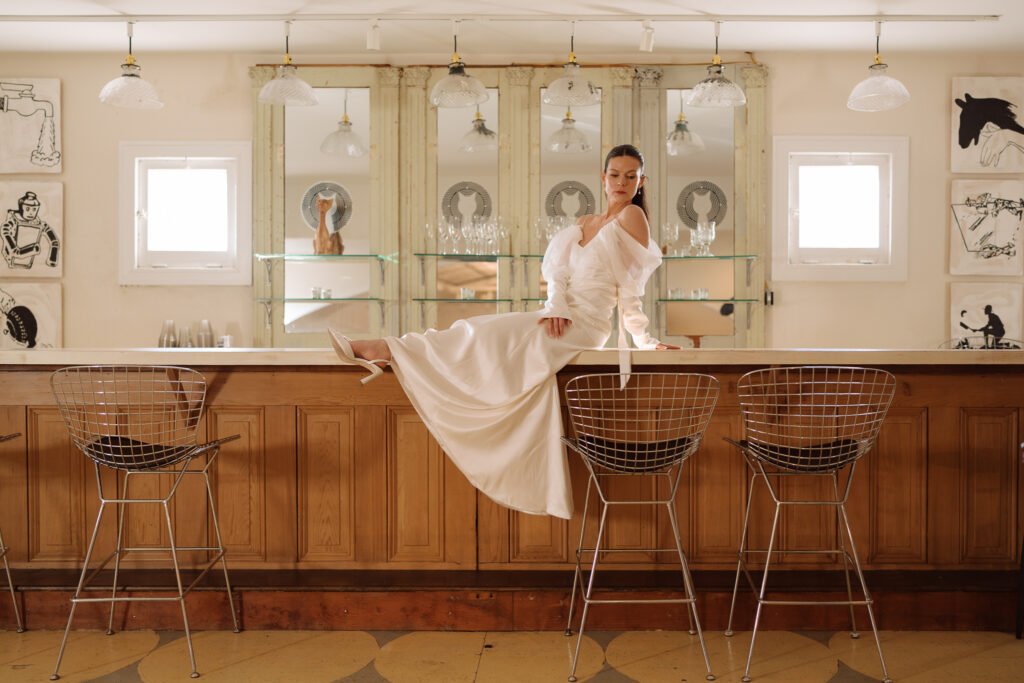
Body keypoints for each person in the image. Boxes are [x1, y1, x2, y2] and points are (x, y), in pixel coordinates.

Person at [329, 144, 676, 519]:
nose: (622, 182)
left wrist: (644, 338)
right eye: (615, 174)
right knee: (482, 331)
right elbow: (557, 275)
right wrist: (556, 305)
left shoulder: (634, 218)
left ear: (641, 181)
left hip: (587, 324)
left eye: (630, 176)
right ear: (603, 177)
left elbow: (631, 289)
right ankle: (391, 350)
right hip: (559, 313)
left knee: (487, 332)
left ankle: (387, 349)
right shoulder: (585, 223)